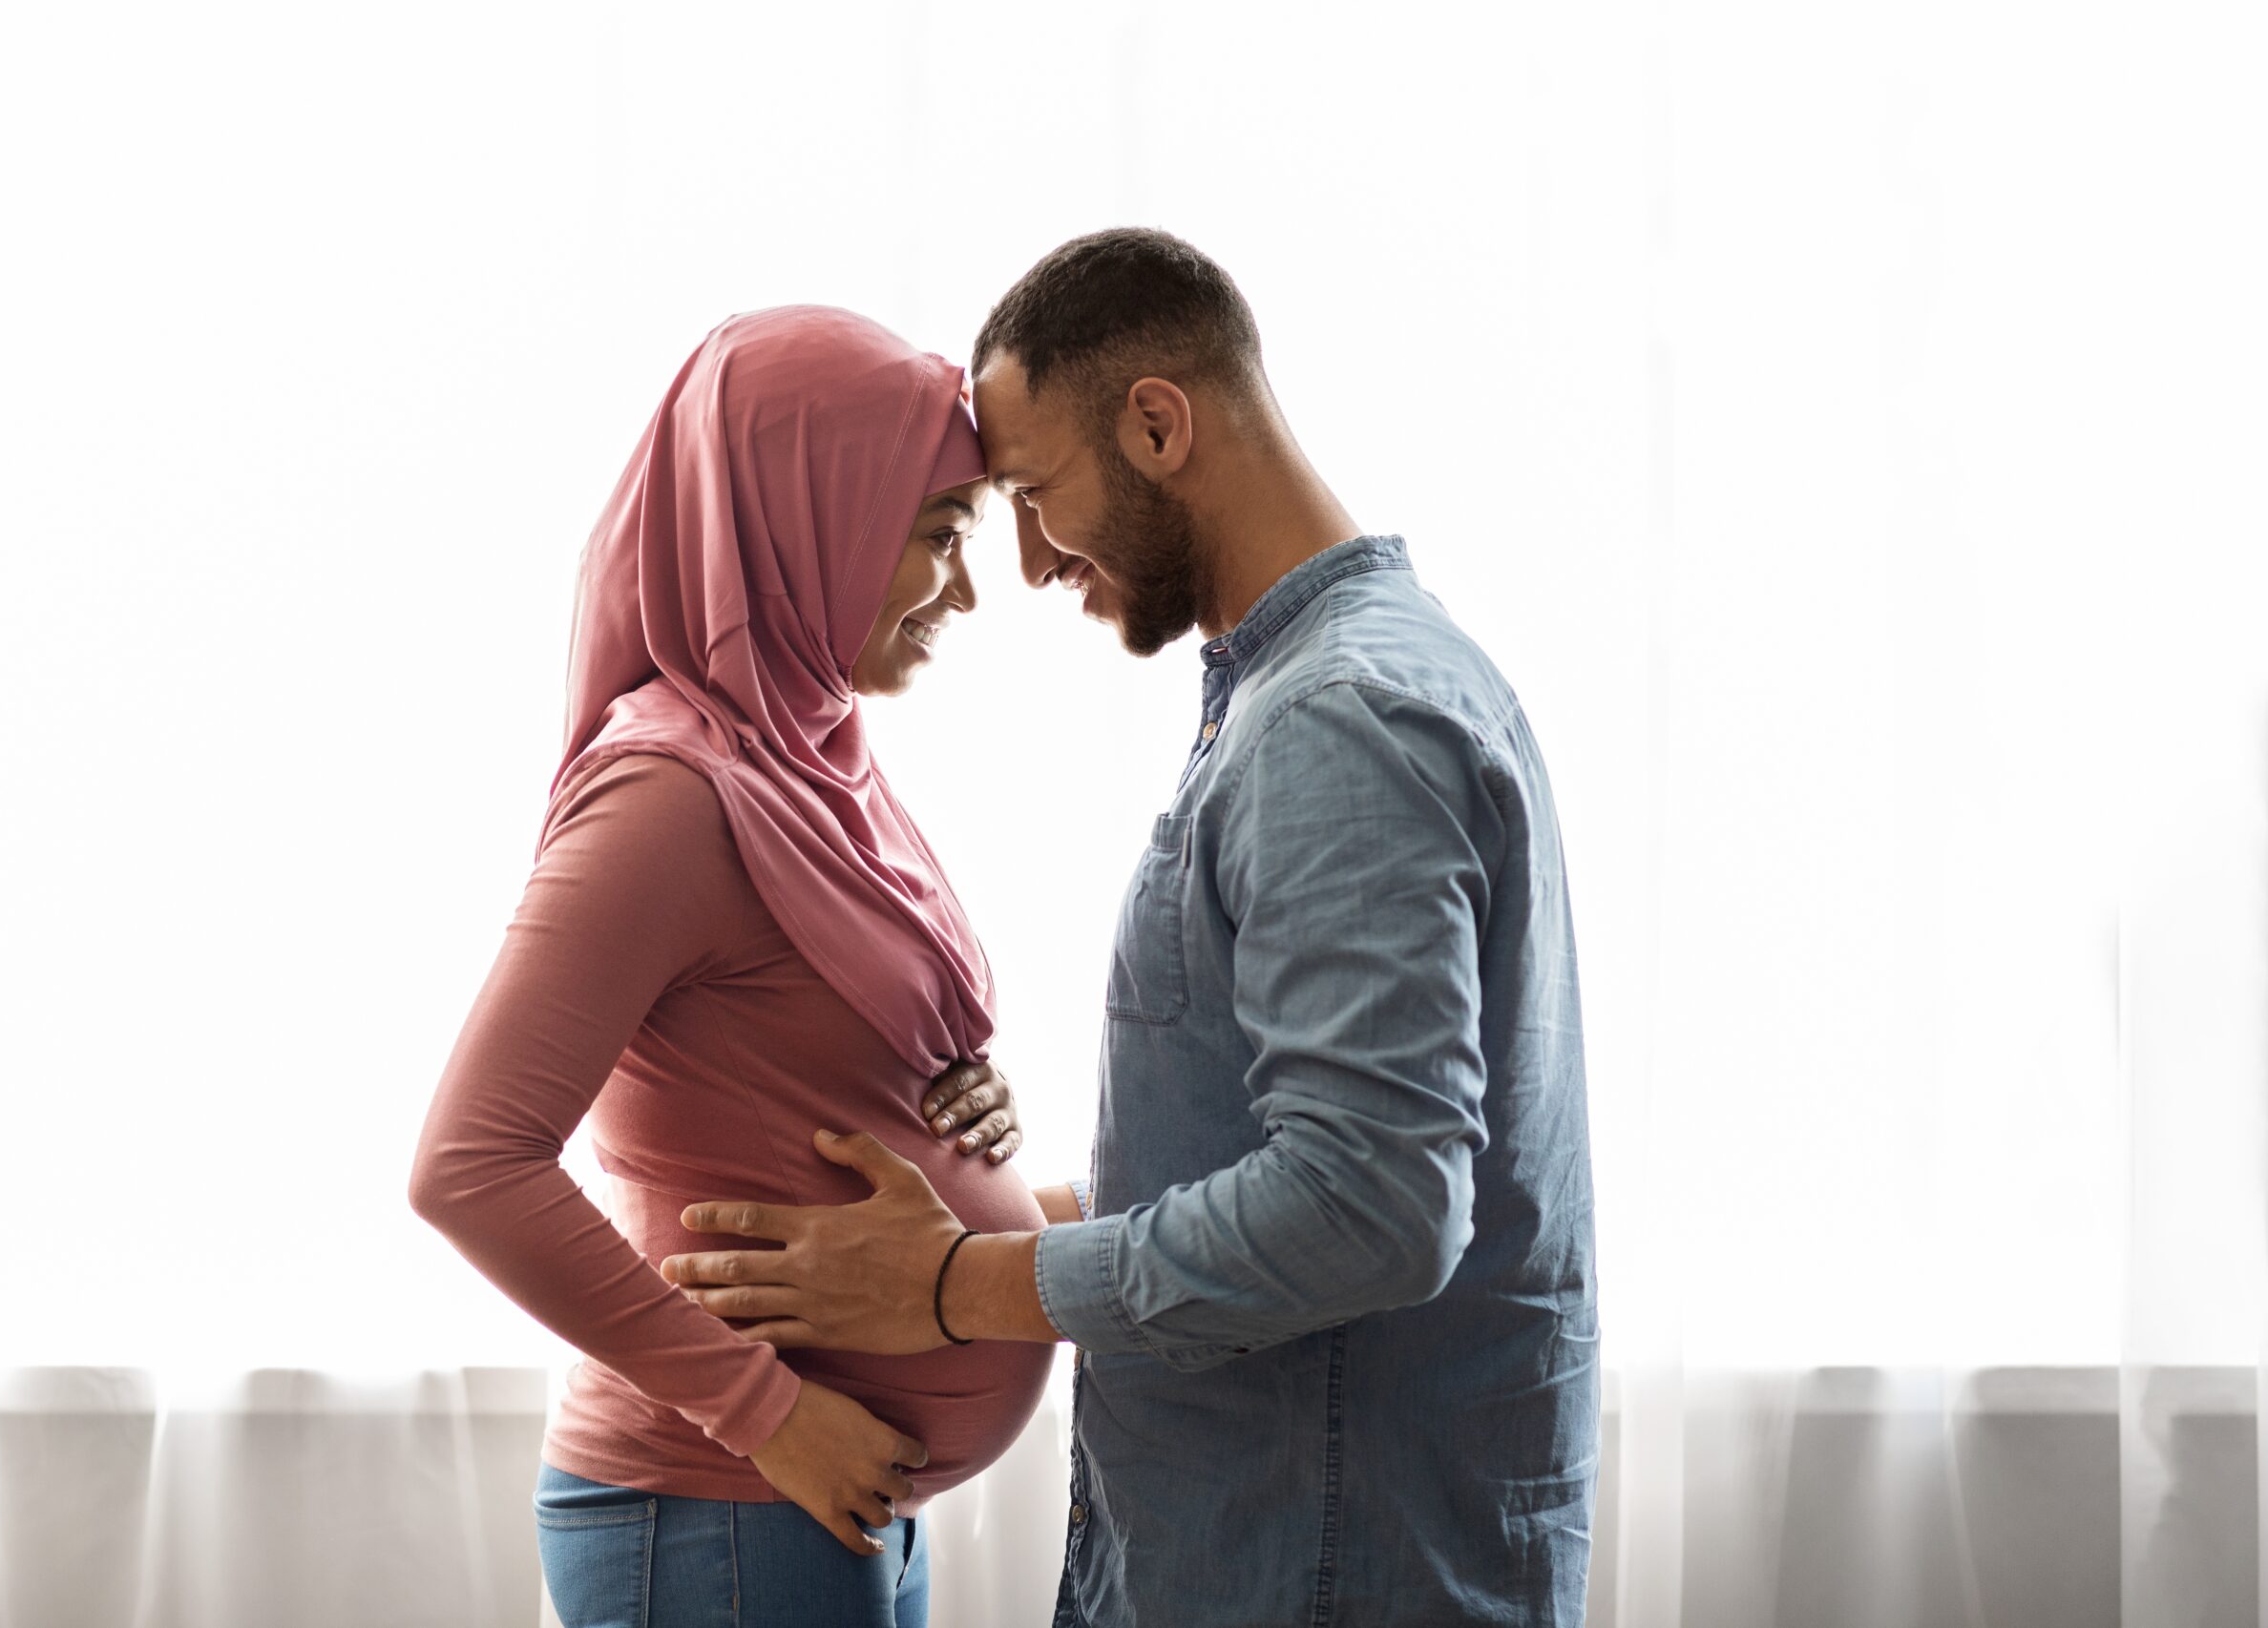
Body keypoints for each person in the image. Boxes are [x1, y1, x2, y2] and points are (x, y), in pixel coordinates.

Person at [659, 230, 1602, 1627]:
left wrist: (962, 1283)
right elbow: (1290, 1145)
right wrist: (1012, 1202)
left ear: (1158, 423)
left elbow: (1374, 1205)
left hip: (1321, 1573)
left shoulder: (1337, 725)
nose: (1032, 563)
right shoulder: (1310, 692)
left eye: (1036, 496)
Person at [408, 305, 1078, 1628]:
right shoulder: (667, 792)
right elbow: (468, 1166)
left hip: (816, 1503)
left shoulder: (811, 760)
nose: (967, 587)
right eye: (941, 533)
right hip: (721, 1504)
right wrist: (769, 1413)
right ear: (810, 513)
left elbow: (793, 1061)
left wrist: (962, 1102)